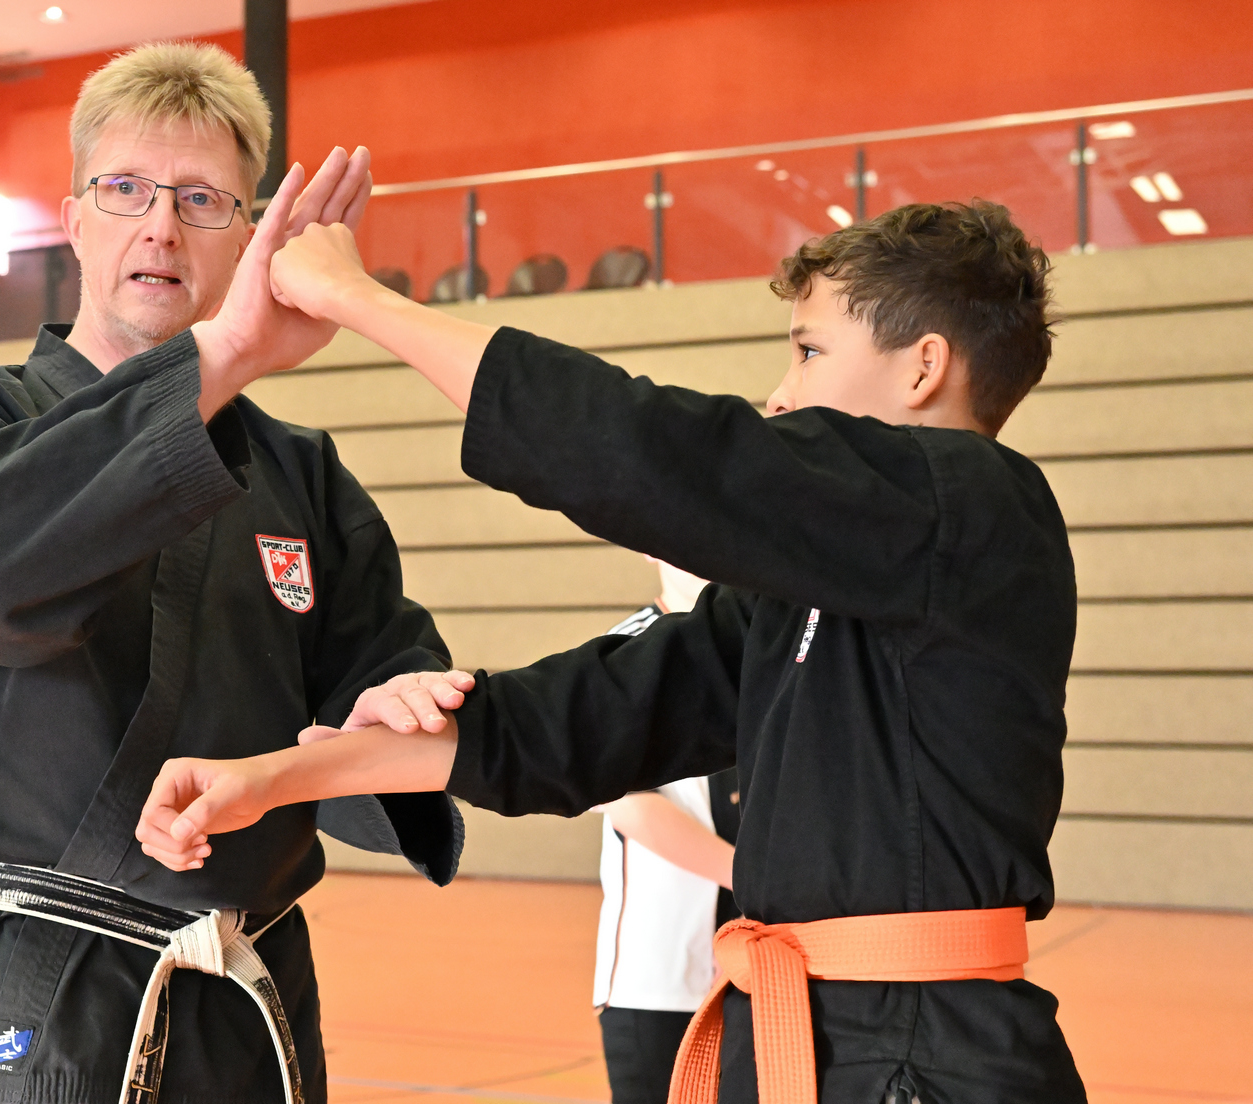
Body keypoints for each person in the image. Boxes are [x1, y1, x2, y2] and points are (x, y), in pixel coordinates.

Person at [136, 200, 1088, 1103]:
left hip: (923, 1061)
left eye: (809, 351)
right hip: (810, 1042)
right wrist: (274, 777)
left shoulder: (978, 506)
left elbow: (662, 455)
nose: (783, 391)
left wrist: (362, 299)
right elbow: (588, 720)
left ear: (923, 369)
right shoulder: (807, 596)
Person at [0, 42, 470, 1104]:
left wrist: (395, 714)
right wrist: (224, 356)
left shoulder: (303, 475)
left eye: (201, 199)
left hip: (250, 999)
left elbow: (377, 690)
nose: (161, 226)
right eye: (126, 189)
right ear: (74, 218)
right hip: (38, 995)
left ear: (247, 235)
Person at [594, 560, 741, 1104]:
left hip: (758, 967)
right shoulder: (624, 652)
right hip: (659, 979)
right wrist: (753, 879)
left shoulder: (760, 648)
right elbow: (631, 807)